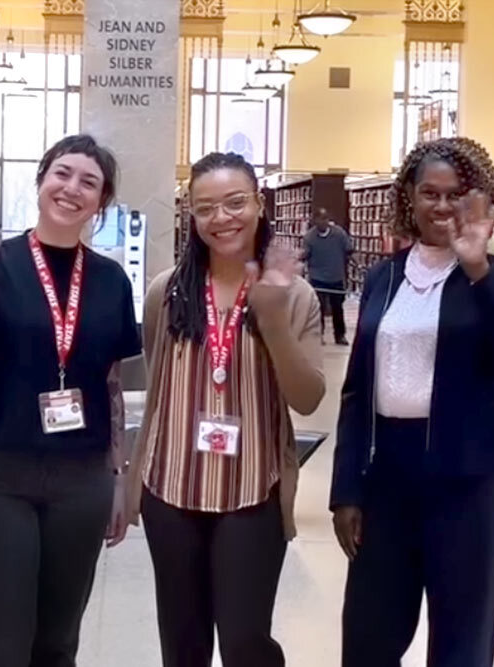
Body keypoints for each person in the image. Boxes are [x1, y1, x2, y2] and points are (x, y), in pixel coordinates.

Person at [330, 137, 494, 667]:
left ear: (482, 201)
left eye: (457, 195)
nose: (443, 206)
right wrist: (346, 489)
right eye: (430, 193)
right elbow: (357, 388)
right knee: (368, 634)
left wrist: (478, 272)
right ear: (409, 196)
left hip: (471, 478)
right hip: (388, 477)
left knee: (461, 638)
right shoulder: (385, 276)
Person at [125, 152, 326, 667]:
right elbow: (158, 391)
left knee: (245, 641)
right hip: (171, 488)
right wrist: (130, 486)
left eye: (235, 203)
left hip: (252, 491)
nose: (222, 218)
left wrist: (274, 319)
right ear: (190, 217)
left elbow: (307, 399)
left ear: (260, 204)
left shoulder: (296, 295)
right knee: (182, 643)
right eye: (205, 208)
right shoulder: (165, 292)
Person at [0, 134, 142, 667]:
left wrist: (119, 476)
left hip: (81, 479)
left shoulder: (109, 281)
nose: (72, 188)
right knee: (3, 641)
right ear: (41, 181)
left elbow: (109, 384)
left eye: (89, 182)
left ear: (101, 203)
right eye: (62, 173)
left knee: (58, 642)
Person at [303, 207, 353, 345]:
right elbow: (305, 255)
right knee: (319, 309)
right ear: (314, 221)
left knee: (338, 308)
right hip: (318, 278)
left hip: (336, 277)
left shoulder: (339, 234)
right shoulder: (309, 237)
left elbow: (349, 249)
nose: (323, 222)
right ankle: (318, 335)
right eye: (319, 219)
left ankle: (340, 335)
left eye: (325, 219)